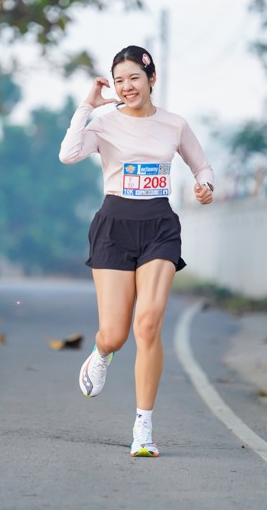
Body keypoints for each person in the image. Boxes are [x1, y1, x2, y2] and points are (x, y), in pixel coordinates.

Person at [59, 45, 214, 458]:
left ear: (151, 78)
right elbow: (68, 154)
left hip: (159, 227)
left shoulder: (174, 125)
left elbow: (202, 166)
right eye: (119, 80)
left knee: (147, 325)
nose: (126, 87)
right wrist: (87, 106)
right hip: (114, 227)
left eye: (134, 78)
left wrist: (206, 186)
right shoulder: (104, 123)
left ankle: (143, 428)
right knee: (115, 334)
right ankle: (101, 352)